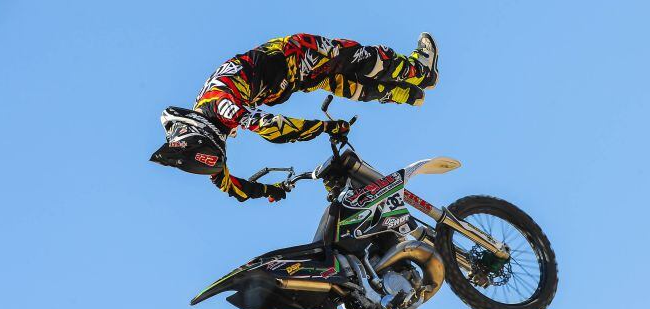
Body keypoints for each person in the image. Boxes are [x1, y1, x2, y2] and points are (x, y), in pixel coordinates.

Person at [150, 33, 439, 202]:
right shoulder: (212, 117)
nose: (220, 152)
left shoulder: (219, 106)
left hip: (284, 66)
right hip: (289, 63)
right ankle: (419, 75)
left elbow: (273, 128)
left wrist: (326, 127)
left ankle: (413, 87)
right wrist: (268, 189)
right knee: (350, 61)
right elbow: (230, 185)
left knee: (344, 73)